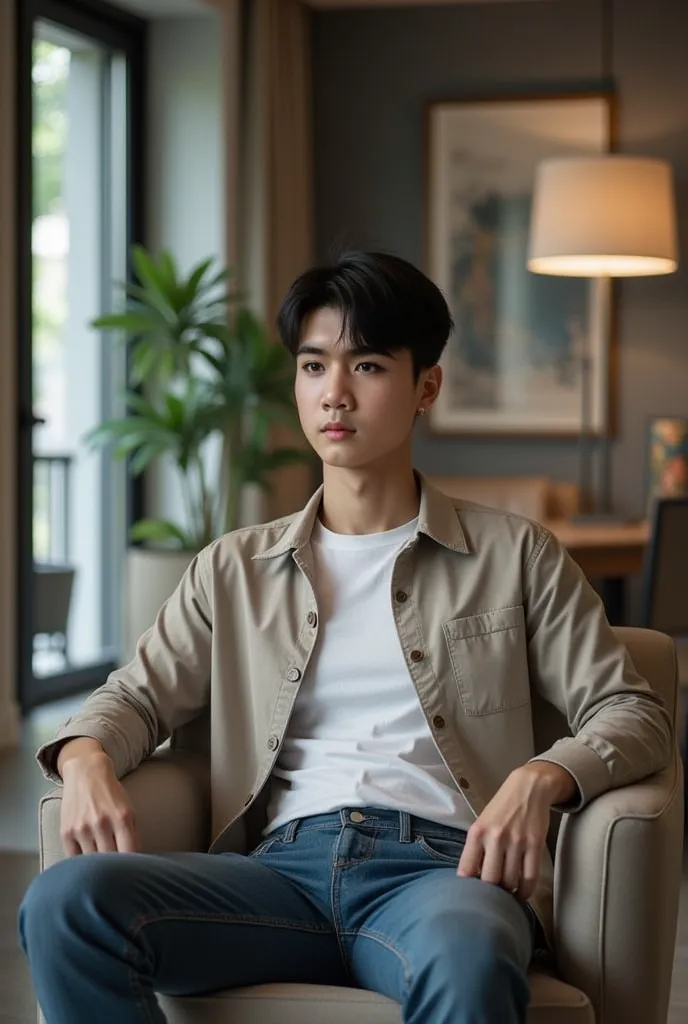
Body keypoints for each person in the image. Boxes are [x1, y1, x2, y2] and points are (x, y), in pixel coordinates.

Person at [19, 251, 672, 1024]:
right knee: (65, 901)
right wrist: (85, 753)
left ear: (425, 385)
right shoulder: (235, 568)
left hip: (439, 876)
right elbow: (134, 696)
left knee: (470, 956)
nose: (334, 393)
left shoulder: (516, 555)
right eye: (313, 365)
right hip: (275, 876)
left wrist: (538, 778)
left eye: (366, 365)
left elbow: (633, 711)